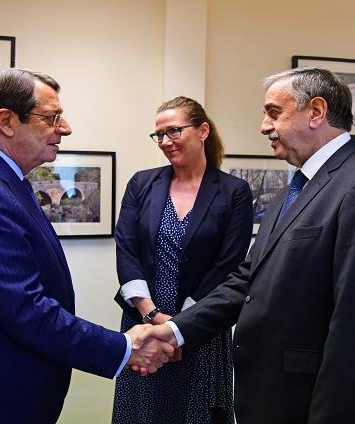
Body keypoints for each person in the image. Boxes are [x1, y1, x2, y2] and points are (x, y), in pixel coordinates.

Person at [143, 67, 355, 423]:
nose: (263, 126)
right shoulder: (294, 189)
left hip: (318, 405)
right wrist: (175, 331)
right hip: (271, 398)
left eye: (273, 113)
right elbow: (247, 280)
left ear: (316, 112)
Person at [0, 68, 172, 424]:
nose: (65, 128)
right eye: (51, 117)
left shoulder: (1, 180)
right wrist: (124, 347)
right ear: (7, 121)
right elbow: (24, 307)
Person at [111, 96, 253, 424]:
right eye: (159, 134)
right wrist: (152, 314)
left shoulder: (233, 191)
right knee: (141, 412)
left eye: (174, 131)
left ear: (202, 131)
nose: (165, 141)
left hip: (201, 325)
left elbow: (229, 264)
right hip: (143, 323)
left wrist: (182, 324)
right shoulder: (142, 183)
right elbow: (126, 248)